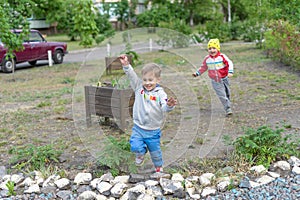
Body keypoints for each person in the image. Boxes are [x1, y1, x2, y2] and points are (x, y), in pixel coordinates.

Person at [119, 54, 177, 173]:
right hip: (138, 128)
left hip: (153, 130)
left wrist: (170, 105)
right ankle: (140, 153)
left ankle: (159, 168)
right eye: (145, 80)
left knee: (155, 152)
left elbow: (164, 107)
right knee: (135, 146)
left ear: (158, 80)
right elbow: (131, 75)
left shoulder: (160, 94)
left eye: (151, 80)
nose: (147, 83)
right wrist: (126, 65)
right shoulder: (138, 87)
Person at [192, 38, 234, 116]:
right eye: (210, 48)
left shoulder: (222, 57)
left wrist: (230, 72)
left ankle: (227, 102)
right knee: (221, 94)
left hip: (224, 78)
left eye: (214, 48)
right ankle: (228, 108)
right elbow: (203, 67)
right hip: (215, 80)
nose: (212, 50)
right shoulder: (207, 59)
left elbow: (229, 63)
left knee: (227, 92)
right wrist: (197, 73)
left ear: (217, 49)